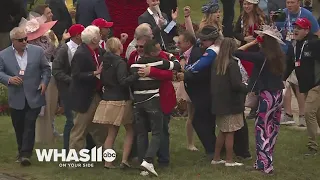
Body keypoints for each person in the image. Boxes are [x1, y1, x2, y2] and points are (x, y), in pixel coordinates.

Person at [234, 25, 286, 174]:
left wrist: (252, 43)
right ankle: (263, 162)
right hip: (278, 94)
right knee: (272, 128)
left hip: (266, 95)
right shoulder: (279, 56)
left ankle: (266, 165)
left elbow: (236, 52)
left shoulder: (261, 56)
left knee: (261, 129)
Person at [0, 27, 51, 166]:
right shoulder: (3, 55)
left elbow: (46, 69)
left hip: (34, 94)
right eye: (21, 40)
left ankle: (26, 154)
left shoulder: (37, 51)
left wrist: (44, 82)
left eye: (25, 39)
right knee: (19, 126)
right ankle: (21, 150)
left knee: (29, 124)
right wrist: (9, 79)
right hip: (16, 97)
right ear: (13, 41)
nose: (24, 42)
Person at [130, 39, 181, 176]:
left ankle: (143, 163)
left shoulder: (134, 65)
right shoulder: (159, 62)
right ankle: (148, 161)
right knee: (158, 132)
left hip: (138, 102)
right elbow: (176, 66)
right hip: (153, 101)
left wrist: (150, 72)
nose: (161, 52)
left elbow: (130, 78)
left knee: (141, 133)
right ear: (152, 52)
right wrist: (170, 56)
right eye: (158, 50)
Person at [93, 37, 139, 169]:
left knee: (111, 133)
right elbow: (123, 81)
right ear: (119, 48)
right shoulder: (120, 62)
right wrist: (135, 75)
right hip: (121, 100)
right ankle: (124, 159)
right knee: (130, 129)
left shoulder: (104, 61)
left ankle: (108, 162)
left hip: (107, 99)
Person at [284, 18, 320, 156]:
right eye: (295, 27)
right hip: (306, 86)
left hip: (317, 85)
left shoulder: (315, 44)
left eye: (300, 28)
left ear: (307, 30)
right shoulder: (295, 45)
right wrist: (282, 79)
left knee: (309, 112)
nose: (296, 30)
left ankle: (312, 146)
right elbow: (290, 64)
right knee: (317, 115)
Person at [68, 25, 107, 152]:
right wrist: (94, 73)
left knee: (100, 128)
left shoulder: (99, 51)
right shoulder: (81, 54)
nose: (101, 36)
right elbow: (76, 75)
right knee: (80, 129)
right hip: (84, 96)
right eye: (99, 35)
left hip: (96, 94)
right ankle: (73, 158)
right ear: (94, 40)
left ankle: (104, 153)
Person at [211, 38, 246, 167]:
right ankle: (229, 160)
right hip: (231, 103)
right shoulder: (232, 64)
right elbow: (236, 85)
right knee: (230, 132)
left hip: (219, 103)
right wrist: (246, 87)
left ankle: (216, 157)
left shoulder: (216, 62)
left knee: (222, 131)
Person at [52, 24, 85, 150]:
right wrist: (71, 80)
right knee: (71, 121)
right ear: (78, 36)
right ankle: (67, 151)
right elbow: (56, 70)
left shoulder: (83, 47)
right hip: (68, 91)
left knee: (81, 122)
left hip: (81, 90)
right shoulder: (64, 50)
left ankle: (83, 150)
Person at [234, 0, 266, 120]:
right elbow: (235, 32)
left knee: (256, 78)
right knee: (244, 77)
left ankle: (254, 107)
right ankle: (242, 104)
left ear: (254, 5)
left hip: (258, 50)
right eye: (245, 4)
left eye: (249, 4)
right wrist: (244, 37)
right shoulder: (242, 18)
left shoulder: (261, 17)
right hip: (246, 49)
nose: (246, 6)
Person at [176, 31, 198, 151]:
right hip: (189, 87)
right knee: (191, 115)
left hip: (195, 86)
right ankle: (190, 143)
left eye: (180, 42)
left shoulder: (195, 51)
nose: (177, 44)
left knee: (194, 116)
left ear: (188, 43)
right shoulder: (183, 54)